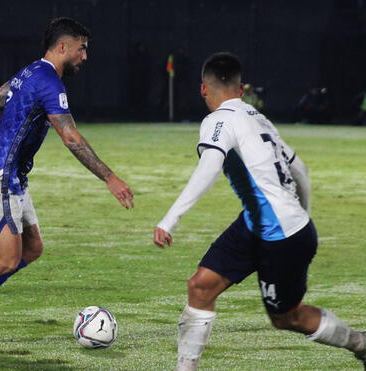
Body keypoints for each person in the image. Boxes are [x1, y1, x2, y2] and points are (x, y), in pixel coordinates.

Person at [0, 17, 134, 343]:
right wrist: (110, 178)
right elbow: (71, 137)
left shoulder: (32, 70)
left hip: (11, 175)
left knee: (32, 249)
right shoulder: (49, 82)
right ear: (63, 46)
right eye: (81, 49)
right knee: (6, 260)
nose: (84, 57)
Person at [153, 52, 365, 370]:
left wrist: (169, 220)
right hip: (261, 224)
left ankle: (361, 343)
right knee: (200, 286)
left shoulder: (217, 120)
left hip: (282, 236)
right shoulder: (257, 117)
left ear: (203, 89)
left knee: (287, 318)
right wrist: (302, 216)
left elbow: (208, 168)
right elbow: (301, 171)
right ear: (242, 90)